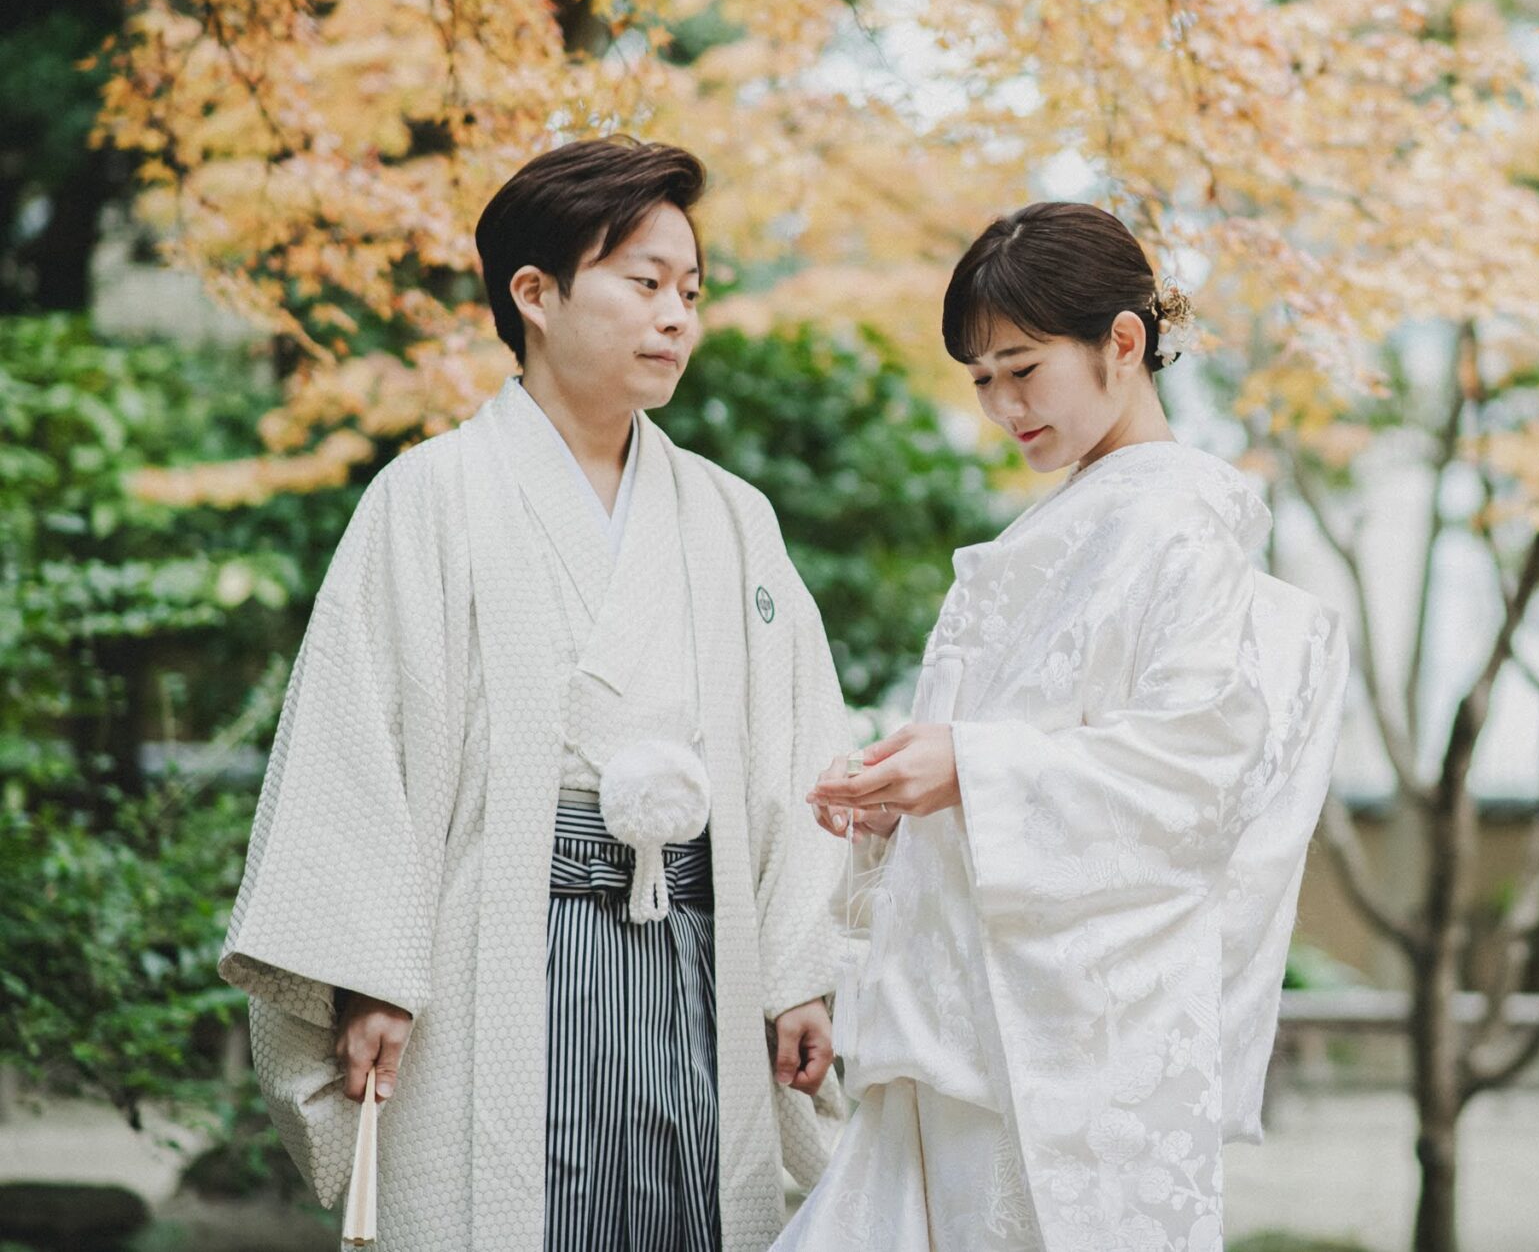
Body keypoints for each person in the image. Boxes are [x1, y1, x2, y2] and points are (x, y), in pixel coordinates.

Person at [221, 138, 851, 1251]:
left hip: (699, 952)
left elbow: (797, 754)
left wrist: (799, 969)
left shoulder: (731, 516)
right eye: (644, 283)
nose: (676, 318)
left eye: (691, 292)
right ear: (534, 293)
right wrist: (370, 975)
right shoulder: (428, 497)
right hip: (494, 955)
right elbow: (356, 748)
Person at [781, 201, 1348, 1252]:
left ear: (1122, 343)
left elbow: (1194, 775)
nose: (1003, 405)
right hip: (973, 1011)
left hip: (1067, 1039)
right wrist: (900, 797)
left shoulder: (1178, 526)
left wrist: (968, 767)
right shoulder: (1071, 524)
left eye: (1022, 367)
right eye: (980, 379)